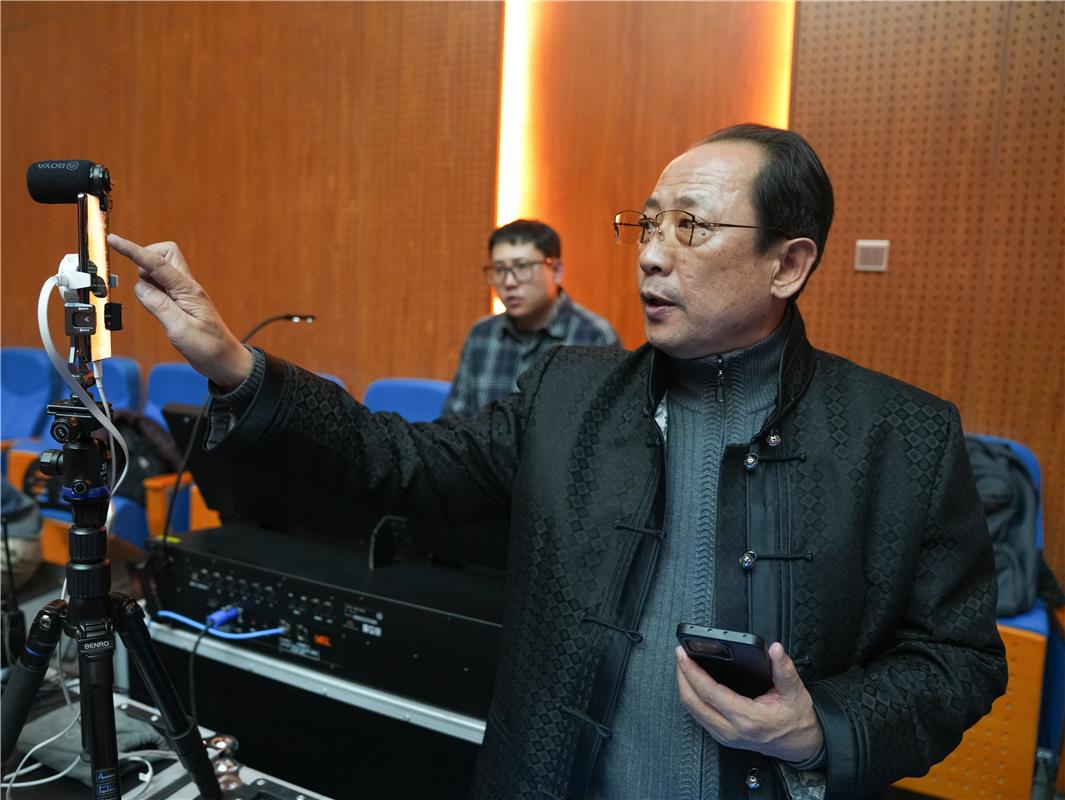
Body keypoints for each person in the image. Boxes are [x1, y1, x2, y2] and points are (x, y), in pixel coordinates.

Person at [110, 123, 1007, 800]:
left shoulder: (902, 438)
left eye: (690, 228)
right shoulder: (570, 394)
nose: (650, 254)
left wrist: (821, 728)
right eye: (646, 224)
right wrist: (235, 365)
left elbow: (958, 659)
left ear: (787, 264)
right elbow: (401, 459)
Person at [444, 219, 619, 416]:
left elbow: (605, 423)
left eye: (522, 267)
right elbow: (456, 421)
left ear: (556, 271)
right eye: (499, 270)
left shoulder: (593, 337)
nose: (509, 282)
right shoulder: (481, 334)